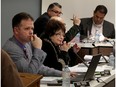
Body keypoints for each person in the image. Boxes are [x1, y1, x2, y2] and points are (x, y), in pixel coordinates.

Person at [2, 12, 77, 77]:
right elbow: (30, 73)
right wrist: (37, 49)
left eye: (32, 28)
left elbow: (39, 67)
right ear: (16, 30)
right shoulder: (12, 49)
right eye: (27, 29)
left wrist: (62, 73)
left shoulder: (27, 44)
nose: (31, 32)